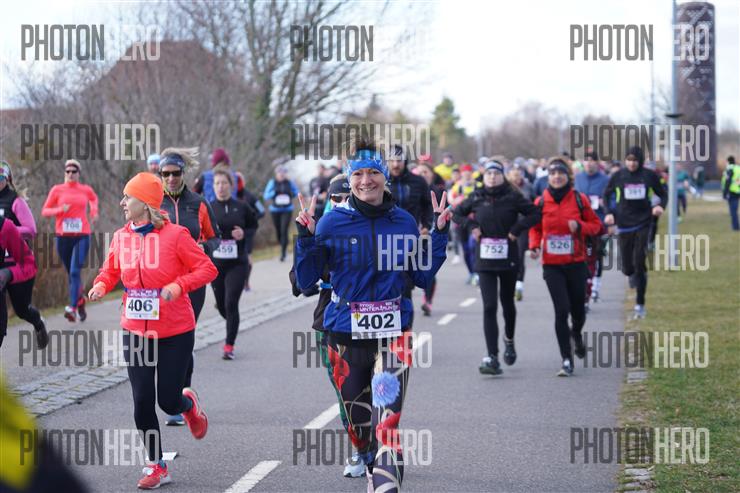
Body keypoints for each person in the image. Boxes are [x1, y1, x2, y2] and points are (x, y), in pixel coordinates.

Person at [294, 138, 450, 492]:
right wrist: (305, 239)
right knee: (359, 426)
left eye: (373, 172)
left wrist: (440, 234)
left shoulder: (404, 222)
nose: (367, 180)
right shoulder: (331, 224)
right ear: (349, 179)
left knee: (387, 423)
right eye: (358, 174)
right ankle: (369, 460)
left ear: (385, 176)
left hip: (394, 334)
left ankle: (384, 476)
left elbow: (421, 276)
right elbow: (305, 282)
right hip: (345, 335)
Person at [88, 172, 216, 489]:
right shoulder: (121, 237)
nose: (122, 202)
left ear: (145, 203)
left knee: (168, 402)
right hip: (135, 330)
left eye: (128, 197)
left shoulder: (176, 236)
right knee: (142, 399)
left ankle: (188, 406)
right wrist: (101, 284)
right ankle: (157, 465)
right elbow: (110, 270)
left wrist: (179, 285)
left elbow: (207, 269)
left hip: (175, 330)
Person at [454, 161, 540, 375]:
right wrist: (472, 226)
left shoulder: (513, 197)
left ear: (503, 176)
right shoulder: (476, 197)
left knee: (507, 304)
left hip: (508, 258)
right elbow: (456, 214)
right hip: (484, 261)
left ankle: (509, 340)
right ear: (484, 177)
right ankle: (492, 356)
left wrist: (517, 229)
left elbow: (535, 213)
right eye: (489, 173)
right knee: (489, 306)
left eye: (496, 173)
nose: (492, 177)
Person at [158, 147, 220, 426]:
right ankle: (168, 394)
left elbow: (215, 237)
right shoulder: (152, 203)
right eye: (166, 174)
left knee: (184, 339)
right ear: (160, 175)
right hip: (162, 283)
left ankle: (181, 399)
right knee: (162, 340)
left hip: (193, 282)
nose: (171, 178)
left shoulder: (198, 203)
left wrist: (205, 247)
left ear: (184, 174)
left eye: (176, 173)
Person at [529, 158, 603, 376]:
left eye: (560, 173)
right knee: (561, 310)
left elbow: (596, 226)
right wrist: (534, 245)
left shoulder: (579, 199)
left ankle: (576, 334)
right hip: (552, 265)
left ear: (567, 177)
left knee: (578, 311)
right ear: (548, 177)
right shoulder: (541, 202)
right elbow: (535, 228)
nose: (556, 177)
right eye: (552, 174)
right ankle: (566, 359)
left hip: (576, 263)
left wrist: (579, 226)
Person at [603, 146, 667, 319]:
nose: (632, 164)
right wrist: (609, 213)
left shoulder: (649, 175)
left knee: (639, 261)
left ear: (640, 161)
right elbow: (606, 195)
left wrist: (660, 206)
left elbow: (663, 194)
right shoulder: (618, 175)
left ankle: (640, 304)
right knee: (627, 268)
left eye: (635, 160)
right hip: (624, 223)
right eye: (629, 160)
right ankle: (632, 274)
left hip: (643, 222)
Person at [41, 159, 99, 322]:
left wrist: (94, 212)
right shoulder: (57, 190)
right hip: (63, 238)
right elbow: (45, 211)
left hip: (82, 236)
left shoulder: (85, 189)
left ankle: (72, 308)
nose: (71, 174)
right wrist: (60, 209)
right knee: (72, 274)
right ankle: (80, 301)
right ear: (64, 173)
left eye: (74, 171)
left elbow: (93, 199)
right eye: (68, 171)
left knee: (74, 272)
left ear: (79, 173)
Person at [209, 169, 258, 359]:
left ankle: (229, 346)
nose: (220, 187)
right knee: (223, 306)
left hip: (237, 263)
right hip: (215, 265)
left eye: (224, 183)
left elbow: (253, 225)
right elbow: (202, 232)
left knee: (231, 302)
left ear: (231, 185)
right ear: (213, 186)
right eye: (217, 183)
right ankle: (232, 321)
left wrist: (244, 233)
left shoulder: (242, 206)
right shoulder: (209, 207)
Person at [0, 162, 47, 348]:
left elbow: (31, 230)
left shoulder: (15, 201)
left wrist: (8, 230)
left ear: (7, 179)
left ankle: (38, 323)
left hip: (16, 263)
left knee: (21, 310)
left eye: (0, 178)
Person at [574, 151, 610, 303]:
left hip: (599, 224)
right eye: (586, 160)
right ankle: (584, 287)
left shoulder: (605, 179)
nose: (589, 163)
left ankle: (595, 286)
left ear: (597, 162)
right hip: (580, 225)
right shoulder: (577, 178)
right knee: (582, 257)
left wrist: (605, 205)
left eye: (592, 160)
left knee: (597, 256)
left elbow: (613, 199)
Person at [0, 216, 39, 349]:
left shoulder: (4, 226)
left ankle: (38, 323)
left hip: (10, 268)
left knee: (22, 310)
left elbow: (29, 264)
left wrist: (8, 273)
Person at [416, 162, 445, 315]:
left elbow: (447, 212)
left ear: (432, 174)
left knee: (428, 267)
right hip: (411, 235)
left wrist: (434, 227)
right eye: (419, 172)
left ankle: (427, 301)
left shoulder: (438, 191)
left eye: (425, 172)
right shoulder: (411, 189)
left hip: (431, 235)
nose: (422, 175)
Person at [451, 163, 483, 285]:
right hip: (461, 222)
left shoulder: (479, 186)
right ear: (462, 174)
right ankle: (471, 273)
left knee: (472, 245)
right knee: (465, 250)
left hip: (474, 221)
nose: (467, 174)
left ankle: (477, 273)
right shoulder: (457, 186)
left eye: (469, 172)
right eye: (464, 172)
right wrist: (457, 201)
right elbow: (451, 201)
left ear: (472, 173)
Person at [506, 166, 534, 301]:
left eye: (518, 175)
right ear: (509, 176)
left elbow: (534, 205)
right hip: (507, 226)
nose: (516, 178)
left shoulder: (528, 187)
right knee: (507, 255)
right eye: (513, 175)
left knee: (519, 255)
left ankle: (519, 285)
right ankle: (508, 283)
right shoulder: (505, 189)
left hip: (522, 227)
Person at [263, 164, 299, 262]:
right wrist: (273, 193)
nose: (282, 174)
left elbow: (296, 192)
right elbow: (266, 195)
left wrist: (292, 193)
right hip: (275, 210)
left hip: (287, 209)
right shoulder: (272, 182)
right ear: (276, 174)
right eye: (280, 173)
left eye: (283, 172)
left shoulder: (289, 182)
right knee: (278, 230)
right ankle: (282, 243)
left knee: (284, 230)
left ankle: (283, 252)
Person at [722, 156, 740, 231]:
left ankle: (735, 227)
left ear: (728, 161)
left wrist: (725, 193)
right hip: (738, 191)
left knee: (733, 211)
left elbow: (728, 181)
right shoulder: (738, 168)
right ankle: (735, 226)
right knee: (735, 209)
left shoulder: (730, 169)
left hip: (732, 192)